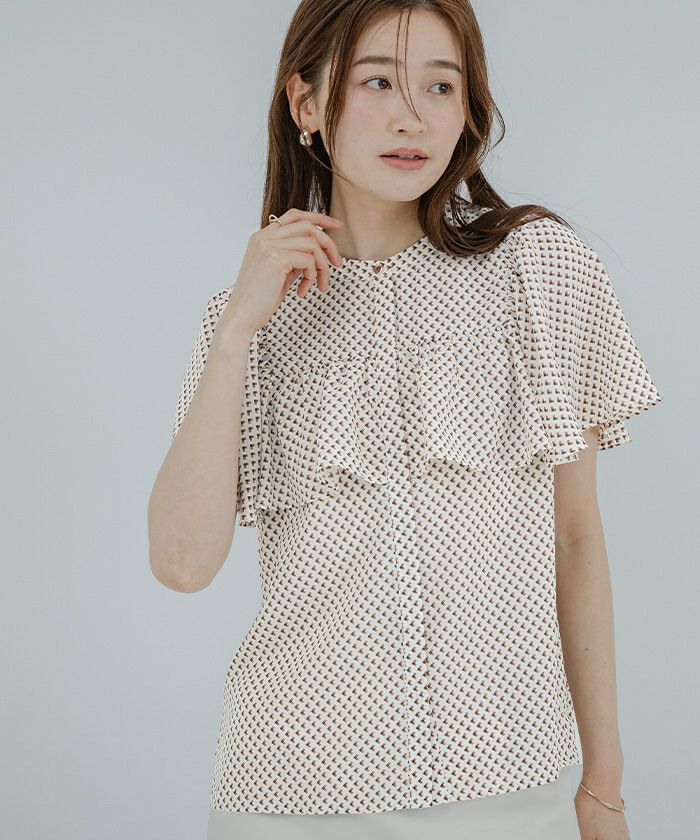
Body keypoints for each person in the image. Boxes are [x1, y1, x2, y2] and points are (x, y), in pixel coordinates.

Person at [148, 2, 662, 838]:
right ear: (305, 103)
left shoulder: (540, 269)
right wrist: (238, 329)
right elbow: (180, 563)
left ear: (469, 110)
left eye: (441, 86)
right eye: (377, 82)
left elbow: (576, 538)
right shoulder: (242, 321)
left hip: (509, 784)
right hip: (289, 791)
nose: (412, 117)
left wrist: (603, 787)